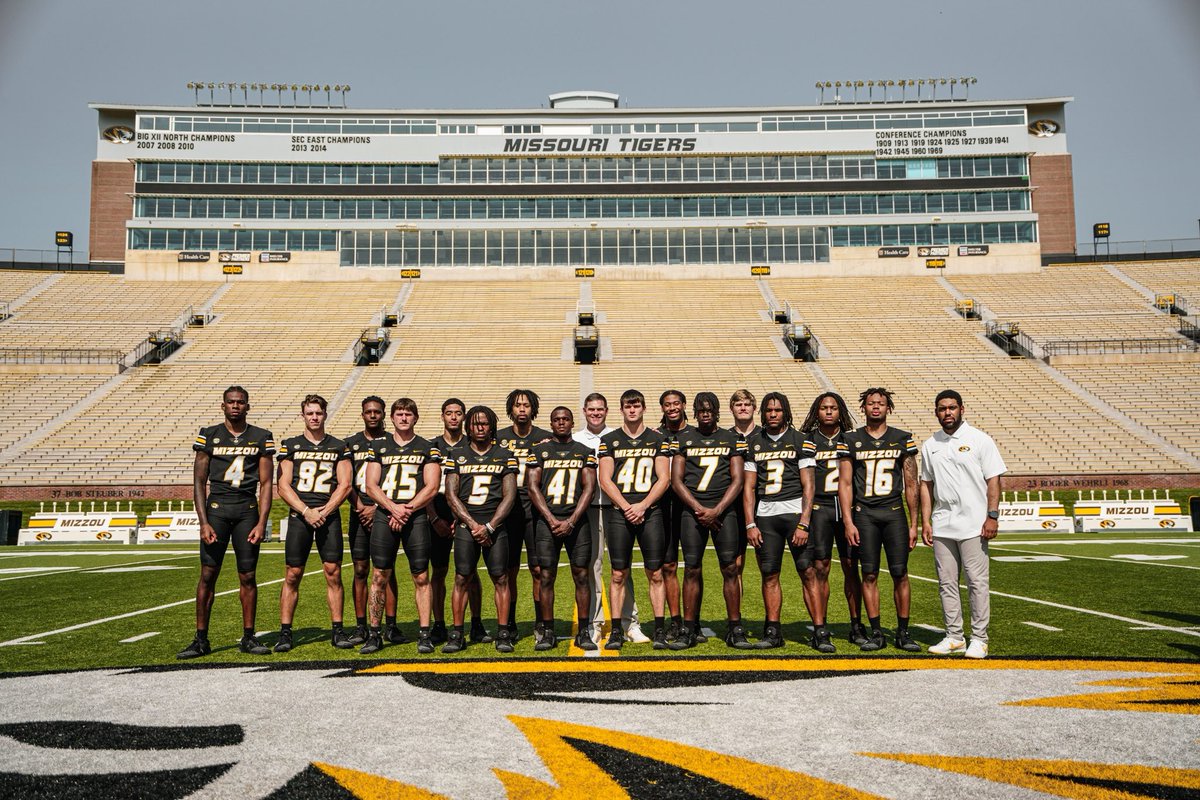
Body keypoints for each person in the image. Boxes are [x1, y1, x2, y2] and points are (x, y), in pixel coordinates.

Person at [177, 386, 275, 659]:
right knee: (208, 574)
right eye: (231, 402)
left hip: (247, 511)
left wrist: (262, 522)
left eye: (240, 402)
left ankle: (248, 636)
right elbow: (199, 481)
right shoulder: (209, 434)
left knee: (248, 575)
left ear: (247, 406)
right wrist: (203, 521)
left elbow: (267, 484)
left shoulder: (261, 437)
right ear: (223, 406)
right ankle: (200, 639)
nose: (235, 406)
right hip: (217, 510)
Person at [920, 390, 1006, 659]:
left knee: (977, 582)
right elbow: (926, 484)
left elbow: (994, 479)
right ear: (936, 412)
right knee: (946, 583)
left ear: (962, 409)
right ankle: (954, 636)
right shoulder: (930, 444)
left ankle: (980, 638)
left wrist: (992, 515)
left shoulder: (980, 439)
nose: (948, 412)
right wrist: (926, 520)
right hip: (943, 523)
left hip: (974, 523)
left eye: (952, 407)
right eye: (942, 408)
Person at [842, 388, 921, 653]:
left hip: (894, 513)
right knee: (869, 573)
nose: (876, 407)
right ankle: (876, 632)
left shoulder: (902, 439)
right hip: (865, 515)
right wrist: (848, 522)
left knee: (900, 572)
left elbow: (912, 484)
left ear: (889, 408)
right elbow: (845, 484)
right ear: (863, 407)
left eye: (881, 403)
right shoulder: (851, 440)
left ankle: (903, 631)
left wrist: (914, 524)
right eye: (871, 403)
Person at [361, 398, 442, 655]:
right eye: (399, 414)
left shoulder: (428, 447)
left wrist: (405, 509)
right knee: (378, 575)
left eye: (408, 414)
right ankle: (375, 633)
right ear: (392, 418)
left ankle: (425, 633)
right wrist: (392, 507)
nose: (404, 418)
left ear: (416, 418)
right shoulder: (378, 446)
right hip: (386, 515)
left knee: (421, 576)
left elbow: (432, 487)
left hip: (415, 516)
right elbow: (370, 485)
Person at [273, 394, 354, 652]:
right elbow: (283, 486)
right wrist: (307, 511)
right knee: (293, 574)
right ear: (303, 416)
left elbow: (345, 484)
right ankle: (286, 632)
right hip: (301, 516)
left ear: (325, 414)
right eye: (310, 413)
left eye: (318, 413)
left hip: (328, 517)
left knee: (333, 573)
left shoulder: (338, 446)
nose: (314, 417)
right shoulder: (291, 445)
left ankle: (338, 630)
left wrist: (326, 510)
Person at [669, 392, 747, 650]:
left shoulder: (732, 438)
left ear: (716, 411)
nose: (705, 413)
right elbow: (676, 480)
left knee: (730, 569)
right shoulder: (683, 438)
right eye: (700, 409)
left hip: (724, 512)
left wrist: (718, 509)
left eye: (709, 408)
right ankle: (689, 629)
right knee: (691, 568)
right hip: (692, 512)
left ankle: (735, 628)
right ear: (693, 411)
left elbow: (738, 479)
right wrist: (699, 509)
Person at [598, 390, 673, 649]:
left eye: (636, 406)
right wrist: (626, 506)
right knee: (618, 573)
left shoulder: (657, 439)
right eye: (628, 406)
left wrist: (642, 505)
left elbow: (664, 478)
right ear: (621, 410)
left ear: (643, 408)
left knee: (655, 572)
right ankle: (617, 630)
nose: (632, 410)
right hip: (620, 513)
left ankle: (660, 629)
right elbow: (605, 479)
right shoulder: (609, 440)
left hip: (650, 511)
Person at [742, 392, 816, 650]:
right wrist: (750, 523)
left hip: (794, 511)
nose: (773, 414)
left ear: (786, 412)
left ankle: (820, 630)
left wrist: (804, 522)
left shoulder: (801, 440)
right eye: (769, 410)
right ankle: (773, 630)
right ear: (762, 413)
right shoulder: (753, 443)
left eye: (778, 410)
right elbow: (749, 489)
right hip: (766, 516)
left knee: (807, 571)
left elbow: (809, 485)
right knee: (769, 573)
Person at [443, 405, 519, 653]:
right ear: (468, 426)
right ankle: (457, 633)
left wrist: (489, 526)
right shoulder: (456, 454)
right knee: (461, 577)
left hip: (495, 526)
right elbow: (451, 495)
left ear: (492, 426)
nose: (480, 427)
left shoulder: (505, 455)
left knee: (501, 577)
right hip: (468, 525)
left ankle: (503, 632)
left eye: (484, 423)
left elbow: (510, 496)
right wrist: (473, 524)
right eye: (475, 423)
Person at [571, 393, 646, 643]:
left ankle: (629, 622)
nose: (595, 413)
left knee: (621, 568)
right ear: (584, 411)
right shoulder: (575, 440)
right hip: (590, 508)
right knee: (593, 566)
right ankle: (594, 622)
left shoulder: (618, 436)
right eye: (591, 409)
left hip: (617, 509)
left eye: (600, 409)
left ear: (607, 410)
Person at [526, 406, 599, 651]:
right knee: (546, 576)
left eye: (565, 419)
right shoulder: (538, 451)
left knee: (581, 575)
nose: (561, 423)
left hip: (576, 522)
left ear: (571, 422)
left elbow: (589, 488)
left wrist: (571, 521)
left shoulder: (584, 451)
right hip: (547, 523)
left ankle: (584, 630)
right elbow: (532, 487)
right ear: (551, 422)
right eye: (556, 419)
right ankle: (547, 631)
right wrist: (550, 519)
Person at [799, 392, 867, 646]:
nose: (829, 411)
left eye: (834, 408)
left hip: (848, 509)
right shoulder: (808, 441)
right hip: (820, 508)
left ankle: (856, 624)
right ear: (816, 411)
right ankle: (822, 625)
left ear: (841, 412)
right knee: (821, 568)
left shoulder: (852, 440)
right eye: (824, 408)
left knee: (851, 567)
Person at [430, 398, 489, 645]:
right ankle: (439, 624)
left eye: (458, 413)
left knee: (469, 572)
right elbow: (428, 486)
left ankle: (475, 623)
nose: (453, 417)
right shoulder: (432, 446)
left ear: (464, 417)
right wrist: (434, 517)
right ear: (442, 416)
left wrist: (462, 518)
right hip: (439, 512)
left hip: (469, 513)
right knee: (439, 571)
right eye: (449, 413)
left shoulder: (473, 443)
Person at [497, 389, 552, 641]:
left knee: (538, 568)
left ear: (533, 409)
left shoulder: (545, 438)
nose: (522, 409)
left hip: (534, 508)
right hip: (506, 508)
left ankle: (541, 621)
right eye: (517, 405)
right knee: (508, 570)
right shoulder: (497, 438)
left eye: (526, 405)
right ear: (510, 408)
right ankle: (508, 622)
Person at [344, 396, 398, 646]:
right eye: (369, 411)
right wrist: (360, 507)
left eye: (377, 411)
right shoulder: (351, 444)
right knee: (360, 569)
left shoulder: (393, 441)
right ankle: (360, 625)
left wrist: (376, 507)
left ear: (384, 413)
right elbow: (345, 481)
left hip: (385, 511)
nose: (373, 415)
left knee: (387, 570)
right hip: (359, 511)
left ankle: (391, 625)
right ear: (362, 414)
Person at [656, 389, 688, 640]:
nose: (672, 407)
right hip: (665, 507)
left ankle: (692, 621)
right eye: (667, 404)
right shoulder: (656, 436)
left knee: (695, 566)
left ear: (684, 405)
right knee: (668, 565)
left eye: (676, 403)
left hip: (692, 507)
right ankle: (676, 621)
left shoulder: (696, 433)